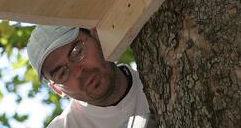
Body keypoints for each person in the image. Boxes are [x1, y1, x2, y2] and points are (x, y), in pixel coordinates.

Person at [27, 25, 155, 128]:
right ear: (58, 90)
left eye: (77, 52)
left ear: (96, 37)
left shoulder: (160, 78)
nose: (78, 72)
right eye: (62, 73)